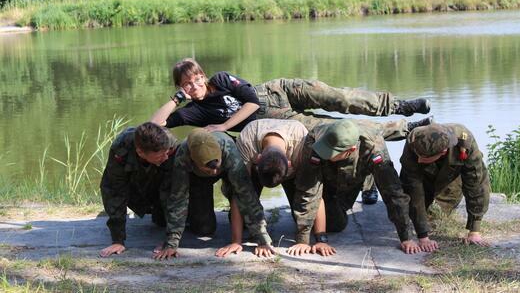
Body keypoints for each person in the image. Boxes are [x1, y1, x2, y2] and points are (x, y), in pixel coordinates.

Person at [150, 58, 430, 133]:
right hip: (278, 122)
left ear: (203, 74)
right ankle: (406, 129)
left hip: (280, 92)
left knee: (342, 98)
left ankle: (400, 105)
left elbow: (252, 100)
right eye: (187, 83)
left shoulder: (221, 79)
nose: (195, 84)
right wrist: (176, 100)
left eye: (197, 77)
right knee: (338, 128)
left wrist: (223, 126)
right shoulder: (194, 112)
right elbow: (155, 126)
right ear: (182, 86)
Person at [282, 119, 417, 256]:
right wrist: (303, 240)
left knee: (336, 224)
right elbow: (309, 188)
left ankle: (370, 178)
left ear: (350, 150)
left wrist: (406, 237)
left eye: (330, 152)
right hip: (327, 173)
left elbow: (393, 192)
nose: (324, 153)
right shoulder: (315, 139)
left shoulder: (373, 147)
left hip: (354, 172)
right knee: (305, 215)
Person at [152, 128, 275, 260]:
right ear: (193, 160)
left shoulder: (229, 150)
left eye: (217, 167)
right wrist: (171, 243)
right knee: (204, 228)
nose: (215, 172)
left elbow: (247, 195)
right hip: (199, 178)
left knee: (245, 213)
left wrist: (263, 240)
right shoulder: (183, 156)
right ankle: (165, 216)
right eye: (210, 169)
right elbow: (179, 198)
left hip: (228, 170)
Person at [399, 123, 491, 253]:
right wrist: (423, 237)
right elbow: (414, 188)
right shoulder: (414, 139)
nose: (419, 160)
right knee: (409, 210)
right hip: (425, 176)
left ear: (443, 152)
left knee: (440, 211)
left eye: (424, 158)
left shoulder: (465, 142)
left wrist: (474, 231)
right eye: (418, 155)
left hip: (451, 176)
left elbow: (476, 184)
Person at [99, 122, 177, 258]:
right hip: (137, 182)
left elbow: (175, 191)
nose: (165, 157)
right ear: (140, 152)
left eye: (166, 153)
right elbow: (115, 190)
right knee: (113, 186)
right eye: (160, 155)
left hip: (161, 182)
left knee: (161, 221)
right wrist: (118, 240)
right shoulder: (121, 148)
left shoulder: (171, 145)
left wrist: (171, 242)